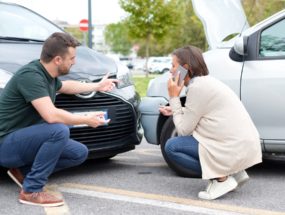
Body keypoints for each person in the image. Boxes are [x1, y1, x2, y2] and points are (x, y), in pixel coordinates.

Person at [0, 32, 118, 207]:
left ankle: (24, 171)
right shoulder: (31, 76)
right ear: (57, 60)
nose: (74, 61)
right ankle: (31, 191)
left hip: (21, 142)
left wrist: (97, 85)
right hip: (5, 144)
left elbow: (66, 86)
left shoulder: (48, 76)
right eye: (71, 58)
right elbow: (51, 115)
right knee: (58, 129)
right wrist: (85, 119)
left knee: (78, 153)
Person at [159, 45, 262, 200]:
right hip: (241, 145)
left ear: (185, 68)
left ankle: (221, 178)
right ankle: (235, 172)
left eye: (173, 66)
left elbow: (184, 129)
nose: (171, 71)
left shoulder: (197, 88)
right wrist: (175, 110)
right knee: (188, 141)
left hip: (232, 147)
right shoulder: (205, 82)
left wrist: (173, 97)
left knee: (172, 147)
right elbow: (201, 114)